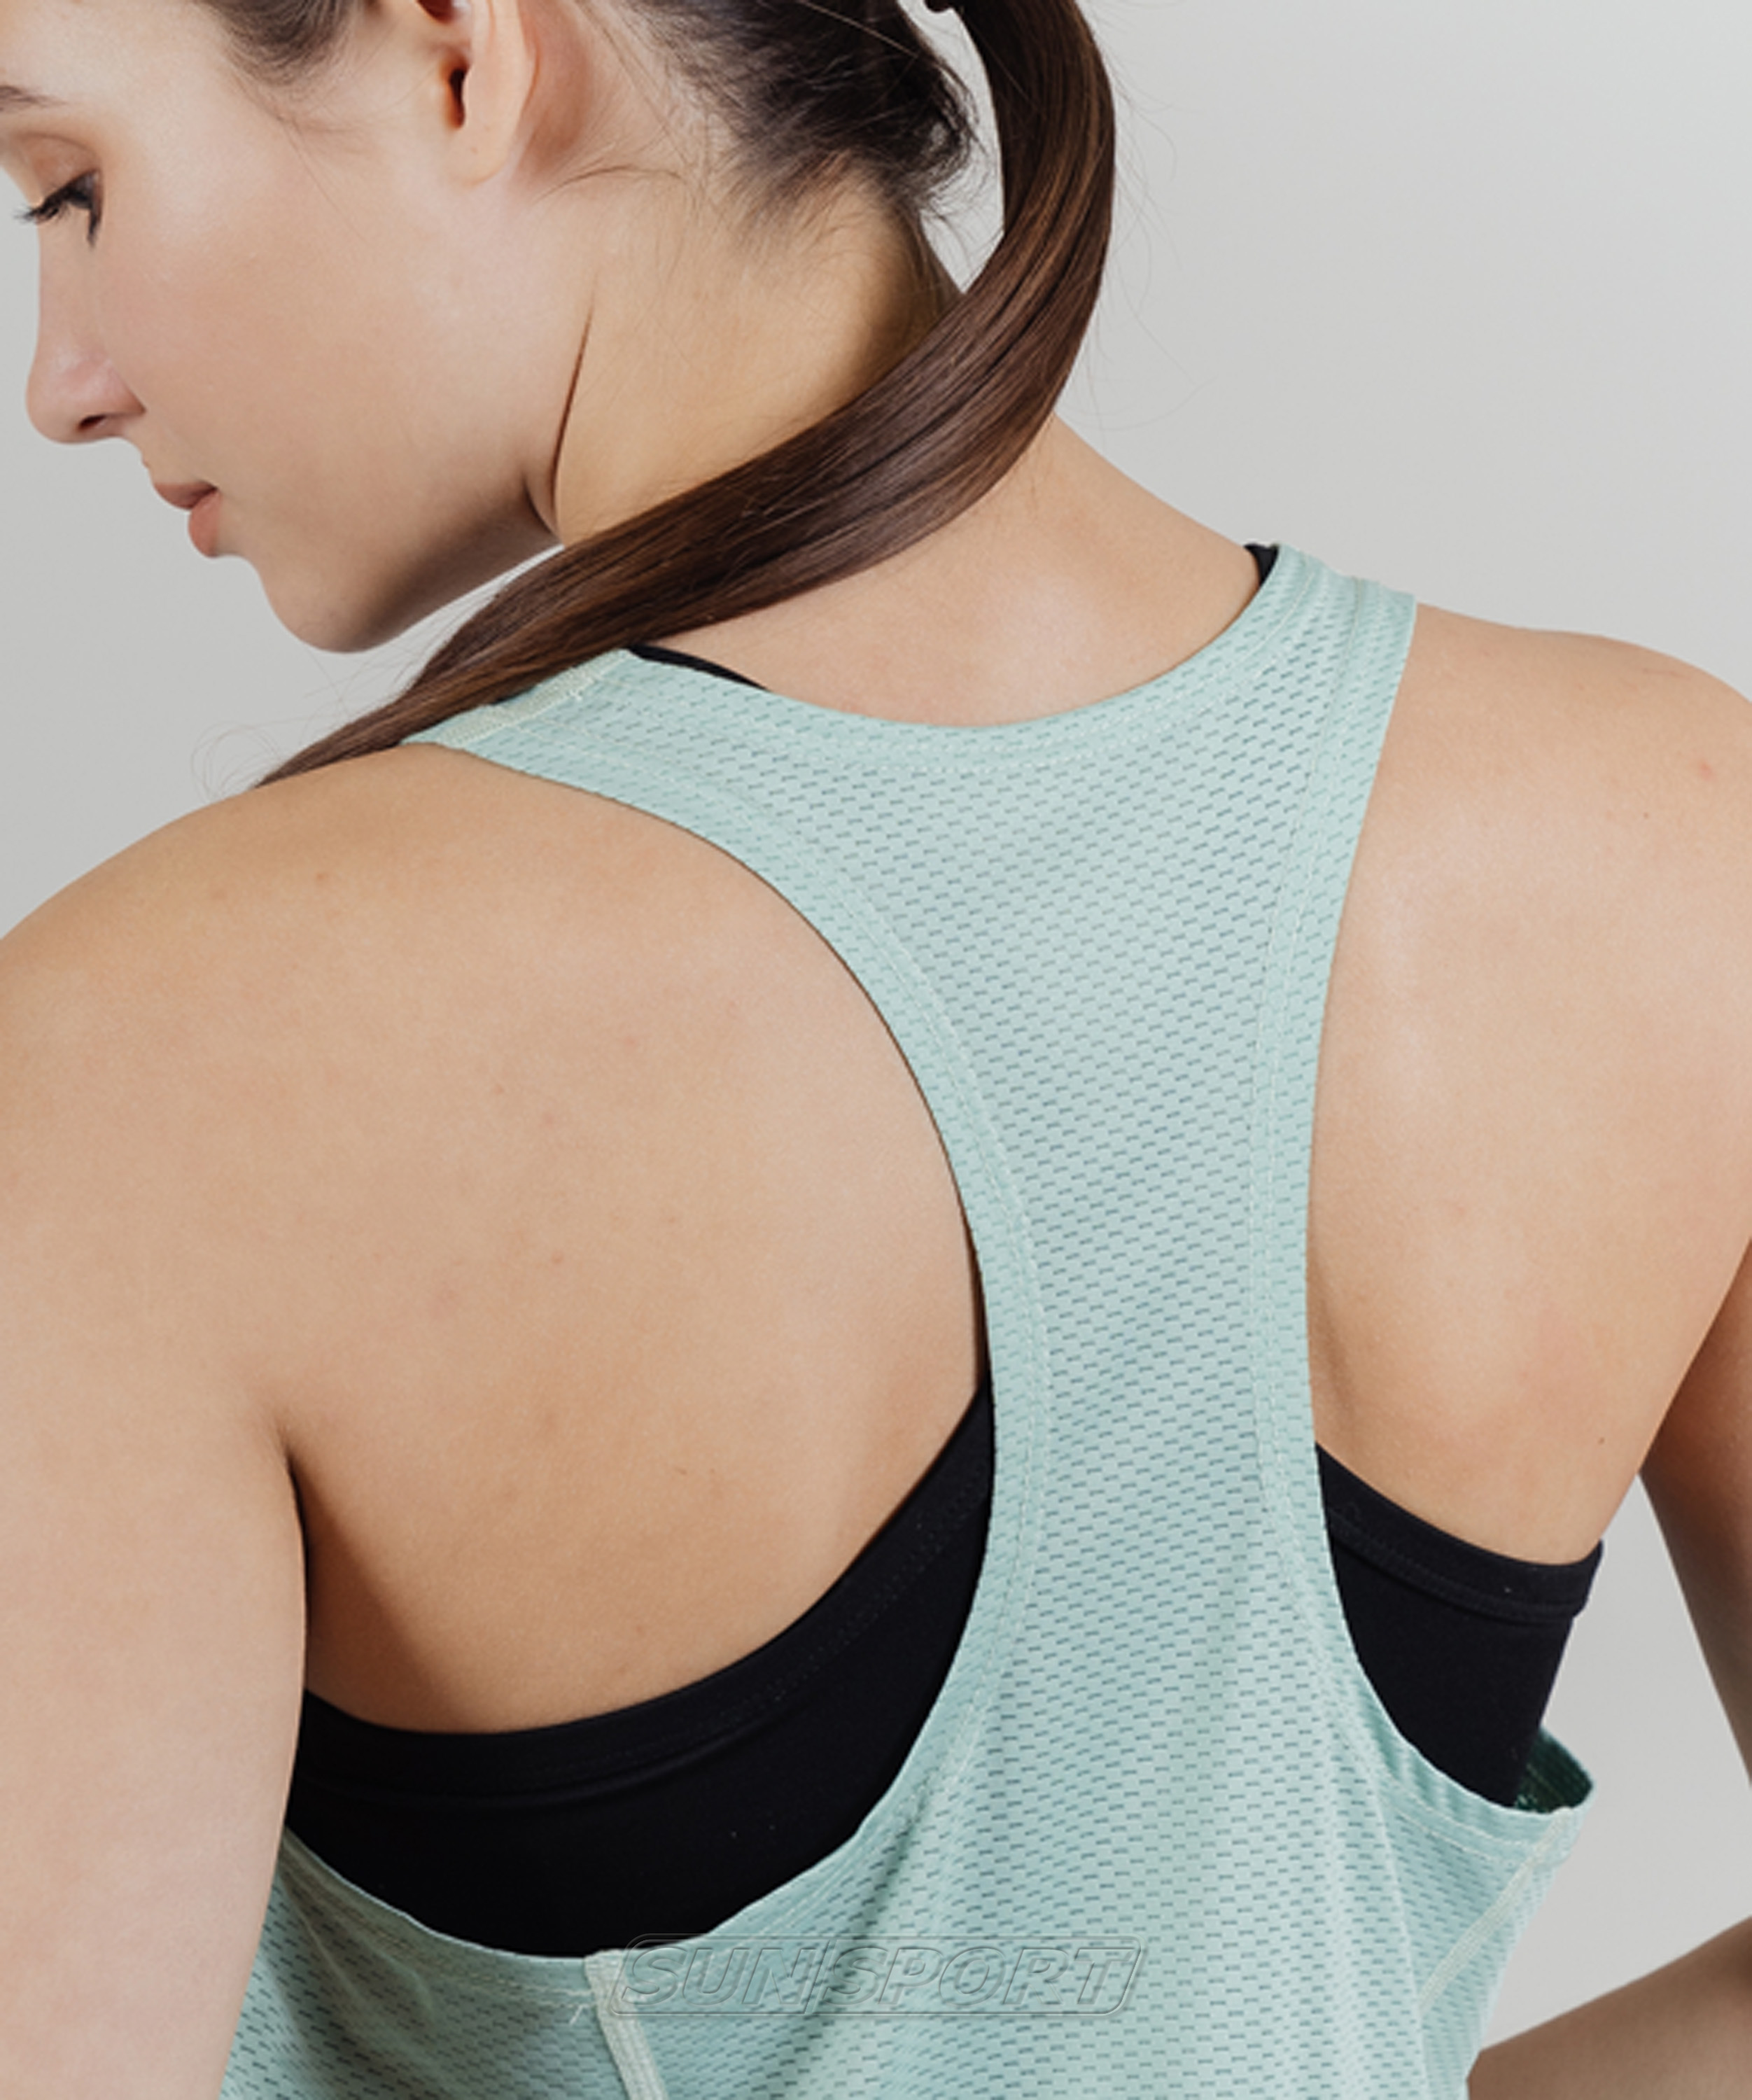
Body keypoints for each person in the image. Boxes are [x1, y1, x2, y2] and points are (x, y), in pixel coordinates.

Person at [1, 0, 1749, 2094]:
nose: (59, 382)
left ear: (462, 57)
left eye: (70, 187)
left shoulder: (160, 1057)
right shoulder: (1672, 837)